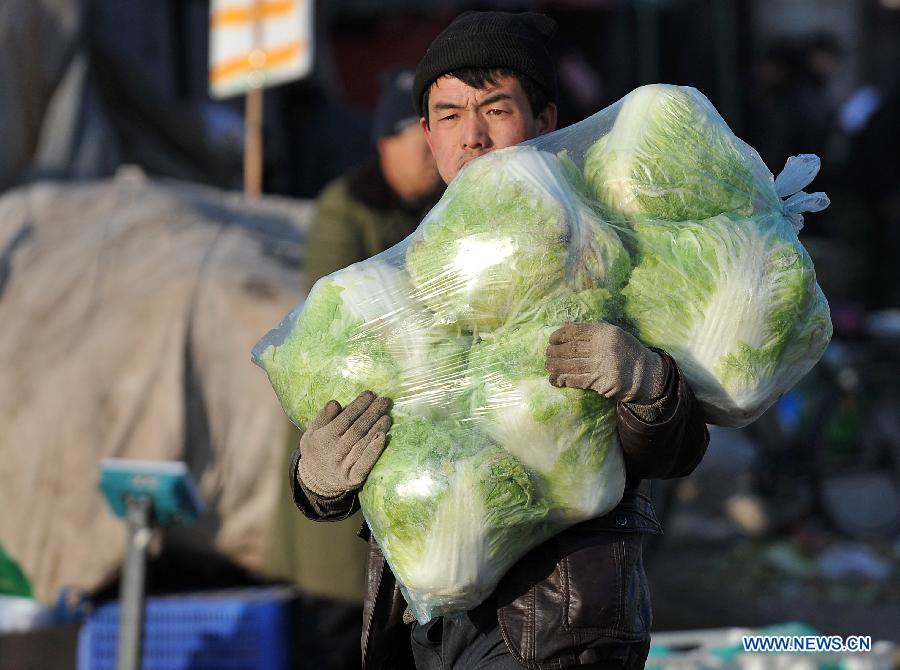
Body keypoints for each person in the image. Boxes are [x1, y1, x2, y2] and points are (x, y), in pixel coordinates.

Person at [288, 11, 709, 669]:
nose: (473, 137)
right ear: (426, 135)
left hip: (555, 623)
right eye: (449, 116)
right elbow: (367, 434)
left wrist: (649, 383)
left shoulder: (604, 241)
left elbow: (680, 448)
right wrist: (317, 480)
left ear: (545, 120)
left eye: (495, 109)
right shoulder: (408, 269)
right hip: (428, 623)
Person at [267, 66, 443, 669]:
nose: (428, 156)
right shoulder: (347, 210)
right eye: (415, 142)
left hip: (413, 461)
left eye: (431, 140)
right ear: (383, 142)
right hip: (349, 438)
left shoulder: (443, 208)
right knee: (346, 624)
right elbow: (329, 312)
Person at [304, 66, 444, 286]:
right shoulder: (345, 207)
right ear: (387, 144)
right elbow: (330, 298)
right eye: (427, 147)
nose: (437, 158)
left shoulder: (448, 199)